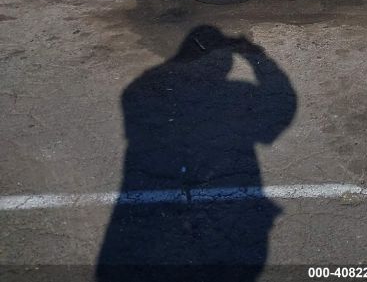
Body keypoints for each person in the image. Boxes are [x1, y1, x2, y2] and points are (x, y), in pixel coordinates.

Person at [97, 26, 297, 281]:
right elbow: (281, 110)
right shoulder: (237, 92)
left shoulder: (139, 88)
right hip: (223, 216)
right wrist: (257, 57)